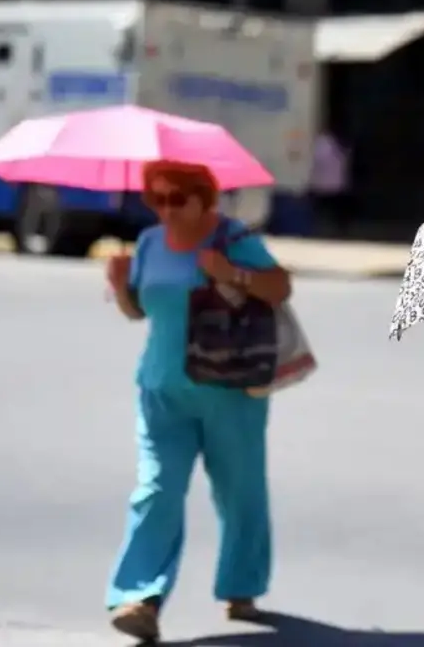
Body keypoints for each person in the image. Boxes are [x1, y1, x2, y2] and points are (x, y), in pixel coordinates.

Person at [104, 160, 292, 642]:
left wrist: (229, 272)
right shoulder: (148, 244)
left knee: (240, 492)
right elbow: (141, 312)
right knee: (156, 490)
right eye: (157, 200)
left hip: (230, 390)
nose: (166, 210)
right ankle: (139, 596)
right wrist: (120, 285)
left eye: (177, 199)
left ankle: (241, 586)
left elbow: (279, 286)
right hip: (162, 389)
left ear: (203, 198)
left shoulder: (231, 238)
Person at [309, 129, 352, 235]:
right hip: (337, 183)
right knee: (336, 210)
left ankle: (318, 228)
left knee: (321, 209)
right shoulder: (343, 145)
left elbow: (316, 159)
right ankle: (340, 229)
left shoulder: (322, 143)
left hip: (322, 183)